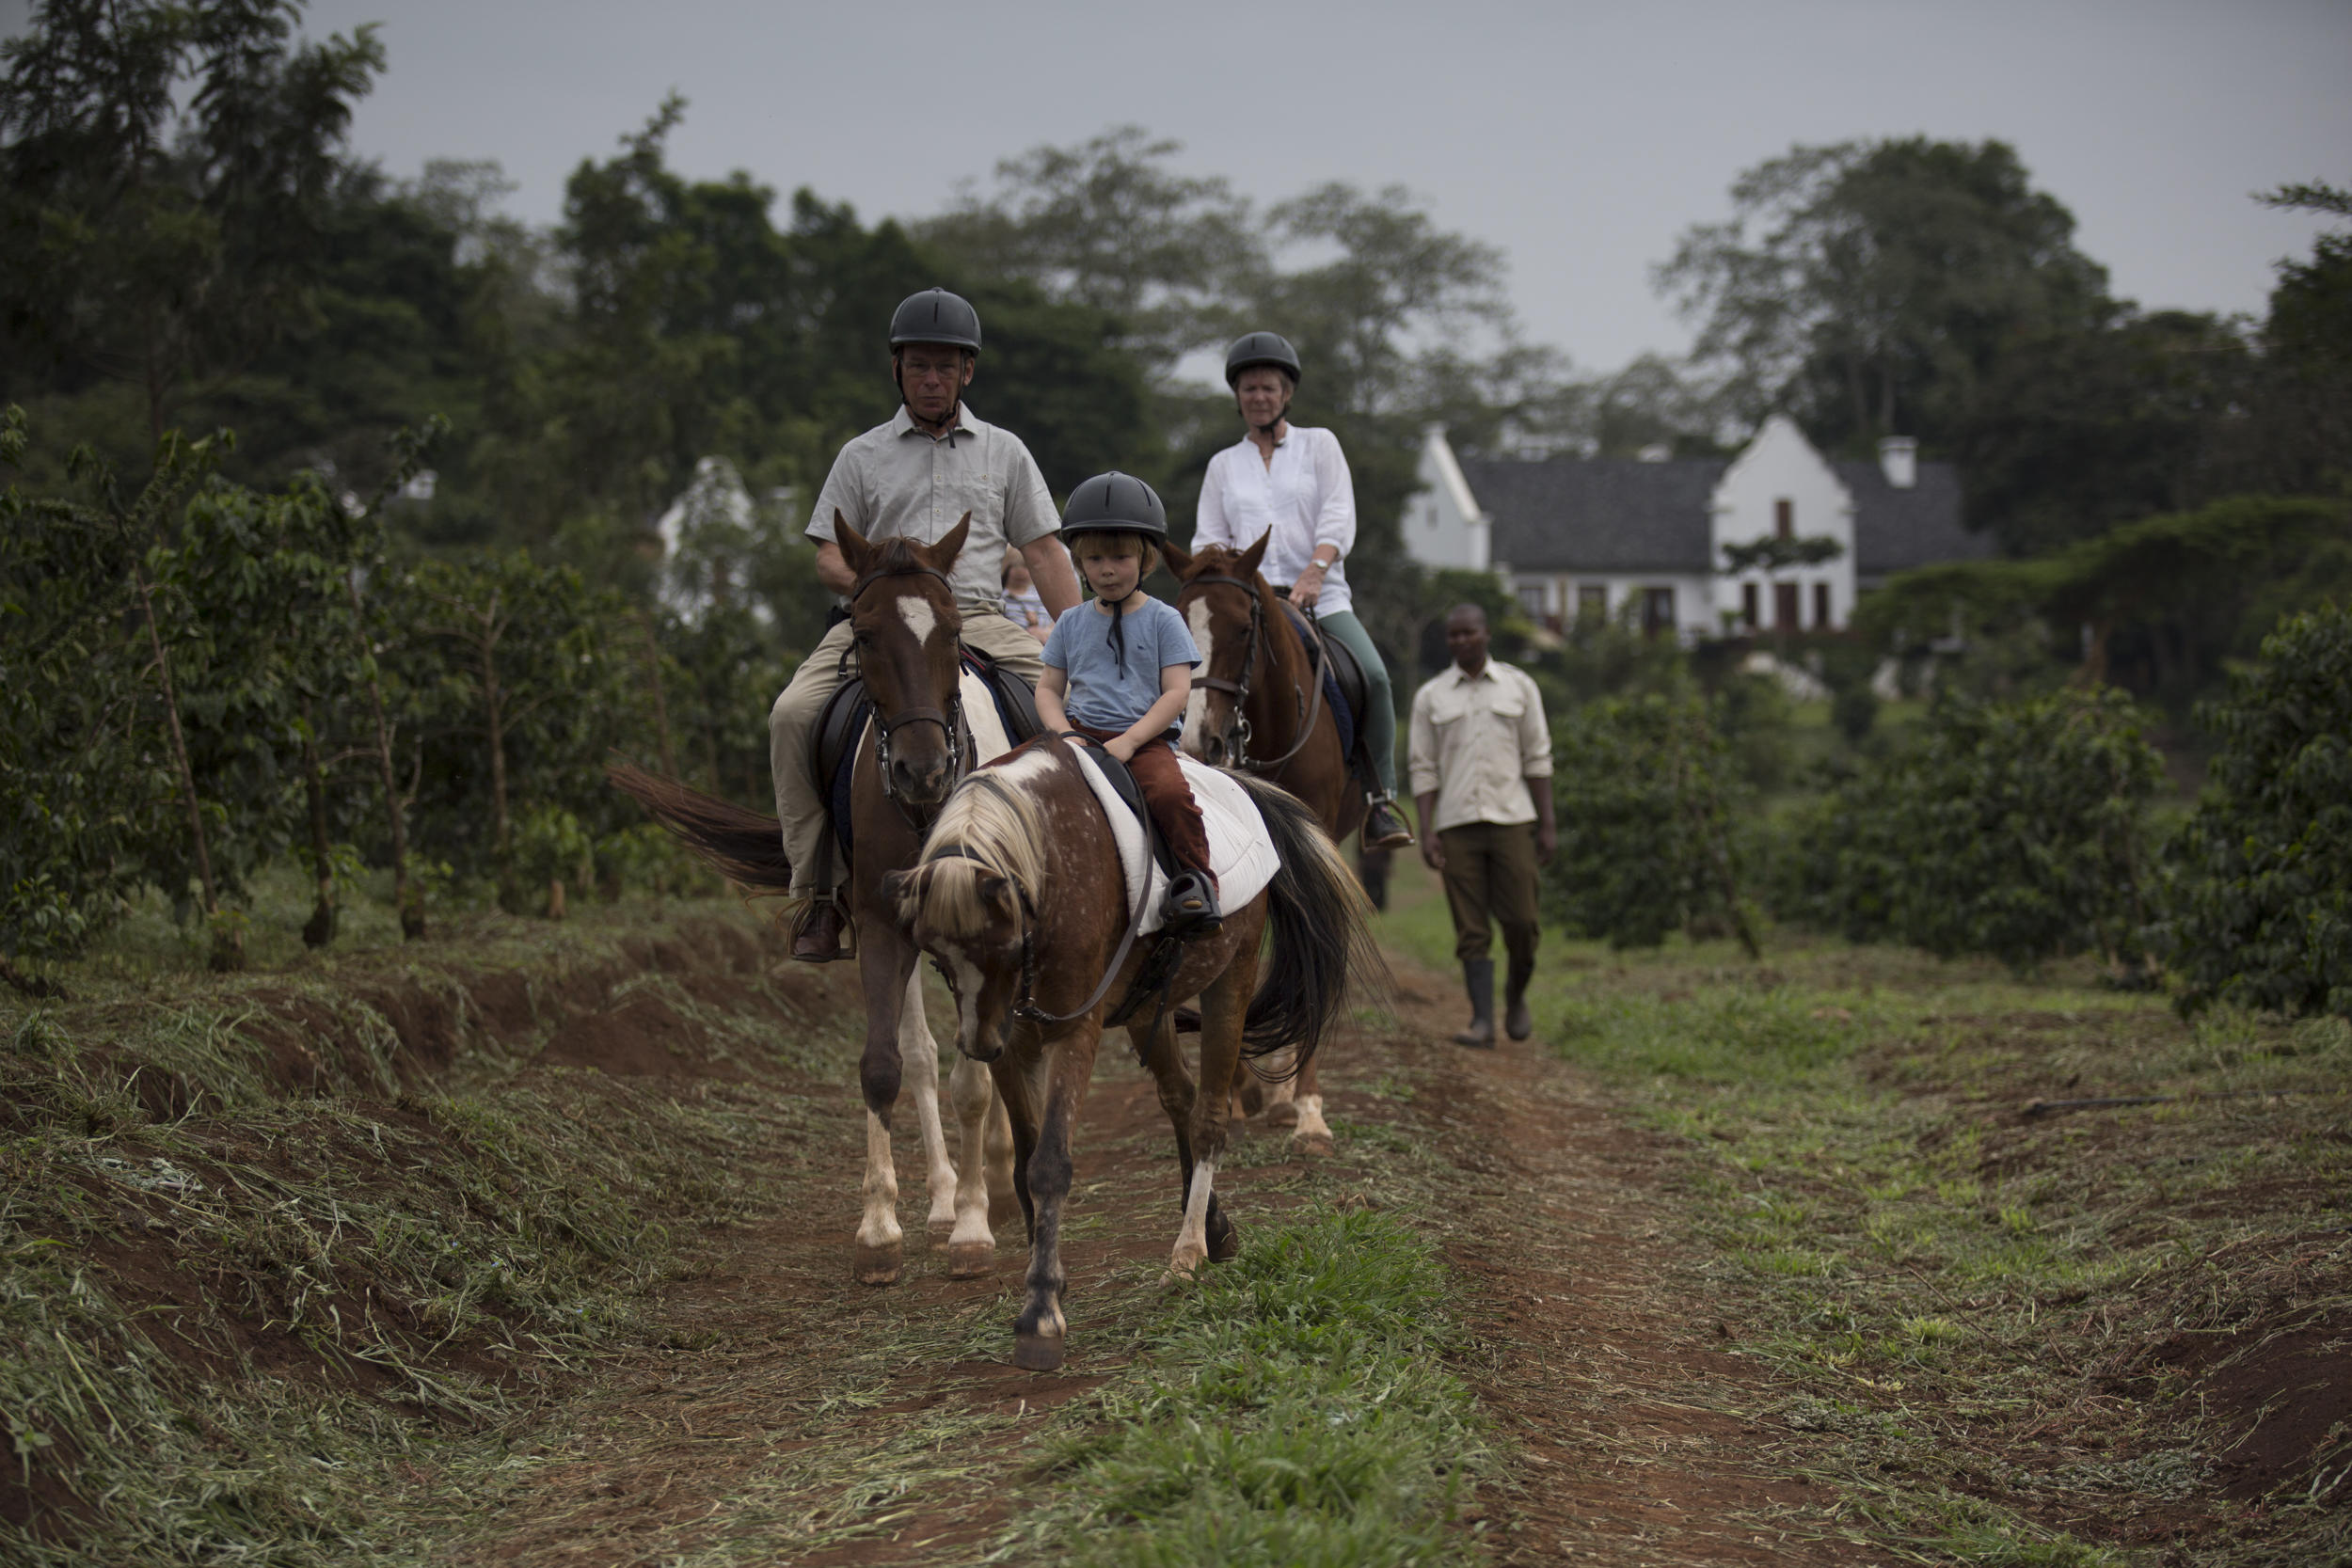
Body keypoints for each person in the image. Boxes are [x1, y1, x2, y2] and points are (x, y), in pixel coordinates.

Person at [768, 287, 1082, 961]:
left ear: (968, 371)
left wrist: (1079, 635)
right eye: (918, 366)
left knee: (1069, 716)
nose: (932, 378)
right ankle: (818, 895)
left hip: (976, 617)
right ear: (897, 370)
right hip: (881, 618)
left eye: (945, 366)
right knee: (792, 714)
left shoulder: (1005, 452)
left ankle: (1069, 881)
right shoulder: (862, 455)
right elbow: (828, 553)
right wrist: (883, 592)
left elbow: (1044, 550)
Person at [1193, 331, 1415, 852]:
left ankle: (1380, 799)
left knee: (1376, 678)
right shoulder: (1224, 465)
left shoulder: (1320, 445)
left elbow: (1338, 515)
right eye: (1249, 389)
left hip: (1321, 595)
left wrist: (1316, 571)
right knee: (1203, 672)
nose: (1259, 397)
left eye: (1268, 387)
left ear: (1287, 393)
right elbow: (1207, 537)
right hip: (1250, 598)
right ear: (1238, 397)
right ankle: (1201, 770)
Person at [1035, 472, 1220, 934]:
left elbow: (1177, 692)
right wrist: (1063, 734)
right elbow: (1048, 688)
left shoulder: (1164, 620)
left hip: (1144, 738)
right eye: (1094, 559)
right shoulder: (1071, 622)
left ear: (1146, 557)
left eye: (1120, 557)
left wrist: (1130, 740)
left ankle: (1196, 880)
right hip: (1079, 735)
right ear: (1079, 562)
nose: (1107, 570)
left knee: (1172, 796)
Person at [1407, 604, 1557, 1047]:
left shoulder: (1519, 687)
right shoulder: (1431, 697)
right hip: (1457, 825)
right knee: (1471, 930)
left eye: (1469, 633)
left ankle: (1515, 997)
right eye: (1453, 636)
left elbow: (1538, 757)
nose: (1461, 642)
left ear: (1486, 634)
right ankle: (1481, 1021)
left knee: (1523, 924)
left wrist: (1548, 824)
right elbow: (1423, 768)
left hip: (1513, 819)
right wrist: (1428, 830)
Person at [1002, 546, 1054, 644]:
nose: (1020, 572)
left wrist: (1046, 632)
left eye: (1026, 566)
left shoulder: (1042, 597)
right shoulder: (1001, 599)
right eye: (1014, 566)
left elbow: (1055, 623)